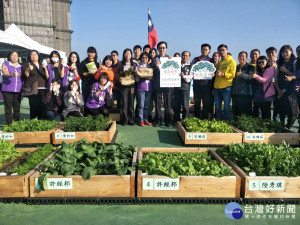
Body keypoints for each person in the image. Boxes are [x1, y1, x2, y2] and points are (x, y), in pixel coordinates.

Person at [21, 50, 48, 119]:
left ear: (38, 56)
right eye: (32, 55)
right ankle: (33, 122)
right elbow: (25, 75)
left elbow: (47, 76)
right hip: (33, 89)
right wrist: (28, 69)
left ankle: (41, 122)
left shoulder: (42, 64)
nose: (33, 56)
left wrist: (45, 68)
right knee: (33, 107)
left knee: (42, 107)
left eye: (35, 54)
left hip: (42, 88)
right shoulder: (27, 64)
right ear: (29, 56)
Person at [274, 45, 296, 128]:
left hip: (291, 89)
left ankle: (288, 127)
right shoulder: (279, 62)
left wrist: (286, 71)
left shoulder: (295, 62)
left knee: (292, 111)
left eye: (286, 51)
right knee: (281, 110)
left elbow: (296, 76)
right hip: (280, 88)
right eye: (283, 52)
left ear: (291, 51)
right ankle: (282, 126)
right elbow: (275, 77)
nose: (284, 54)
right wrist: (278, 89)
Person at [152, 41, 173, 127]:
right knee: (157, 104)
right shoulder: (154, 59)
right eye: (160, 48)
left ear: (166, 49)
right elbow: (152, 72)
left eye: (163, 48)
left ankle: (168, 121)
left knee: (167, 104)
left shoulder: (170, 58)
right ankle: (158, 120)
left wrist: (172, 61)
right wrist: (156, 67)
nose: (162, 49)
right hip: (157, 84)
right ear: (158, 49)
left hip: (167, 84)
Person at [192, 43, 214, 120]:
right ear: (200, 50)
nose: (204, 51)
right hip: (197, 85)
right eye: (203, 49)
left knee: (206, 104)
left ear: (209, 51)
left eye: (206, 49)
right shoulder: (196, 59)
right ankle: (197, 120)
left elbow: (214, 72)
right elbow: (191, 70)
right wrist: (194, 75)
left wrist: (213, 74)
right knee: (197, 103)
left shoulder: (212, 60)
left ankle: (205, 120)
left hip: (207, 86)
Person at [214, 44, 236, 121]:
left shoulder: (232, 61)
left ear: (227, 50)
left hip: (226, 87)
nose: (221, 52)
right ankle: (218, 120)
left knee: (226, 106)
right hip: (217, 88)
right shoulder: (219, 63)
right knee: (217, 106)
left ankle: (227, 121)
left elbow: (233, 75)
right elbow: (216, 75)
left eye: (223, 50)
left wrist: (223, 74)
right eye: (220, 50)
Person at [116, 48, 137, 125]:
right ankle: (125, 120)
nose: (128, 55)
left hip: (132, 86)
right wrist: (120, 77)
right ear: (124, 55)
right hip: (123, 86)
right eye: (126, 53)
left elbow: (136, 75)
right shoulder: (120, 64)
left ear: (131, 55)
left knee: (131, 103)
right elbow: (117, 74)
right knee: (124, 103)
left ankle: (131, 119)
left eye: (129, 53)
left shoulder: (134, 64)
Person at [1, 51, 22, 124]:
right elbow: (5, 74)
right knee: (8, 108)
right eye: (12, 55)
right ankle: (9, 124)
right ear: (9, 57)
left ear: (18, 57)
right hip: (7, 90)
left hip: (18, 90)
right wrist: (12, 74)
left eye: (16, 55)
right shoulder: (5, 64)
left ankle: (16, 123)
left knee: (17, 108)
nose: (14, 57)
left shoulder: (21, 66)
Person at [232, 51, 254, 118]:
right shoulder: (235, 67)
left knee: (245, 113)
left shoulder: (250, 67)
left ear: (246, 58)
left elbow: (251, 77)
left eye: (243, 56)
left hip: (245, 93)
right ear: (238, 58)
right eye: (240, 56)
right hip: (235, 93)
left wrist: (241, 74)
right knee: (236, 112)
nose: (242, 58)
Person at [173, 51, 192, 123]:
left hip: (185, 87)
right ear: (181, 56)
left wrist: (184, 76)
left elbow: (191, 77)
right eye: (183, 55)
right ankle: (176, 120)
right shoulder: (177, 64)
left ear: (189, 57)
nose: (185, 57)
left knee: (185, 105)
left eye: (186, 56)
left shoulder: (191, 65)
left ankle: (185, 120)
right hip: (176, 87)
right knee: (176, 105)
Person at [136, 52, 153, 126]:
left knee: (147, 105)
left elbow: (152, 77)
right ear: (141, 58)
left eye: (146, 58)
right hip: (140, 88)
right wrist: (137, 74)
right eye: (143, 57)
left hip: (149, 88)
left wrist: (148, 77)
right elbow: (136, 78)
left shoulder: (150, 67)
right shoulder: (138, 67)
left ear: (148, 59)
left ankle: (146, 119)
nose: (144, 59)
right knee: (141, 105)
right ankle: (141, 120)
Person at [266, 47, 279, 121]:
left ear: (276, 53)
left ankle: (275, 123)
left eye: (272, 53)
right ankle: (267, 122)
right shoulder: (265, 63)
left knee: (276, 106)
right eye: (269, 53)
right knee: (267, 105)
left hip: (276, 86)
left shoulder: (279, 62)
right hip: (268, 87)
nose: (271, 54)